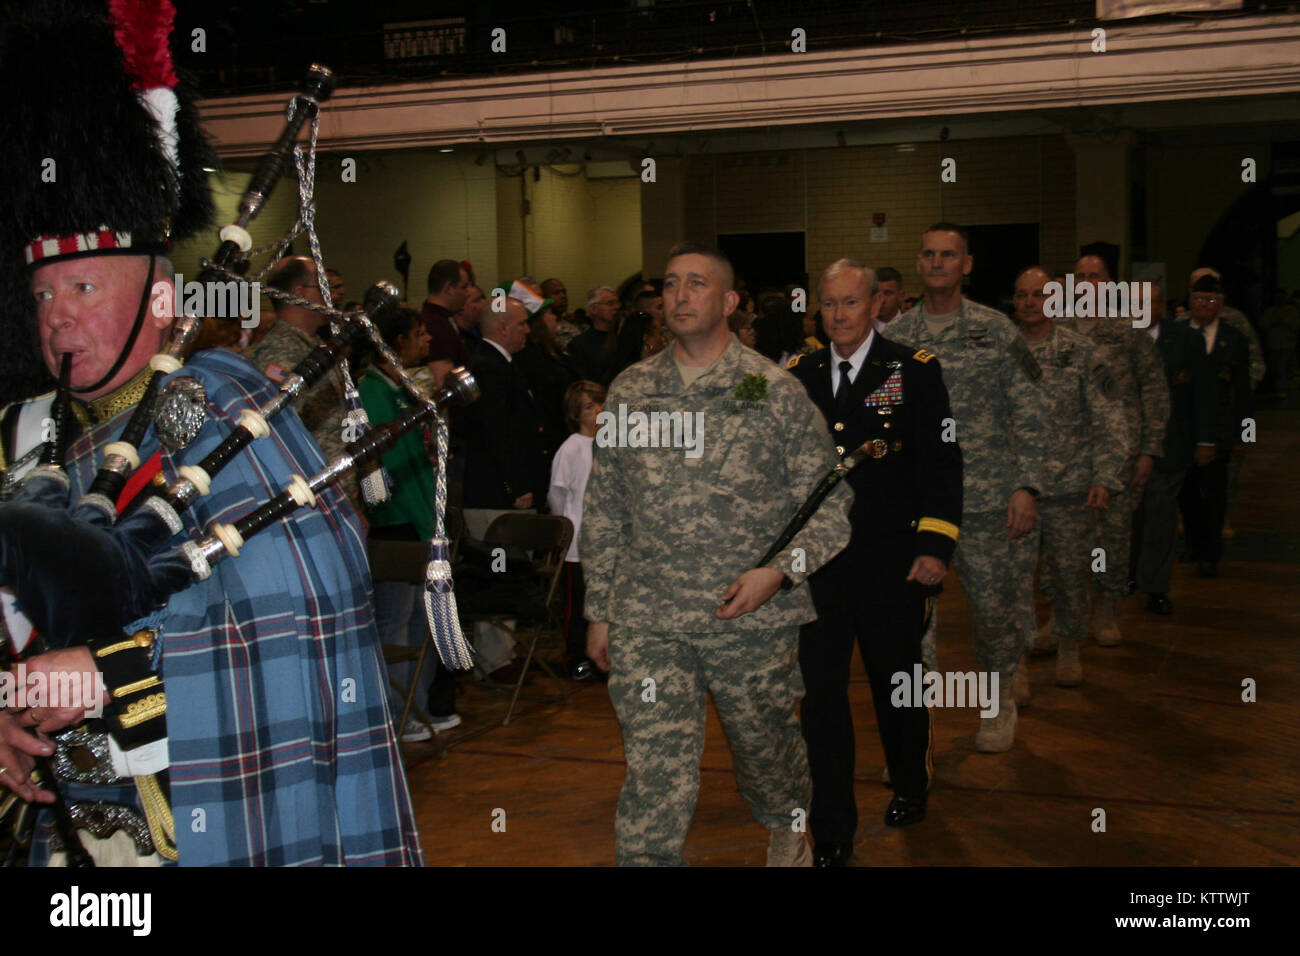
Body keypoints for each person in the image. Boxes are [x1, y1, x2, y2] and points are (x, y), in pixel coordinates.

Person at [581, 241, 853, 867]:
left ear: (730, 302)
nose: (679, 295)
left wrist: (780, 574)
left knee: (766, 751)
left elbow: (831, 506)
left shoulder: (774, 390)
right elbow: (606, 506)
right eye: (671, 283)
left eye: (697, 283)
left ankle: (787, 823)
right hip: (649, 615)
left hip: (749, 618)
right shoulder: (632, 390)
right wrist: (600, 610)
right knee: (654, 767)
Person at [787, 259, 962, 865]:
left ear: (876, 305)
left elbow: (941, 462)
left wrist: (935, 546)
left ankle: (910, 781)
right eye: (829, 303)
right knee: (821, 702)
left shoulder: (913, 370)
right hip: (819, 570)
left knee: (898, 686)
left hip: (893, 564)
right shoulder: (799, 374)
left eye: (852, 302)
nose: (839, 315)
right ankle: (833, 828)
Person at [884, 222, 1049, 752]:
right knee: (913, 623)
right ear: (919, 262)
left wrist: (1026, 486)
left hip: (985, 498)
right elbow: (882, 418)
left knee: (994, 612)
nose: (938, 263)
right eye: (929, 254)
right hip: (919, 504)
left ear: (967, 265)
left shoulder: (997, 330)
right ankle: (916, 731)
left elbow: (1031, 411)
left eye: (948, 255)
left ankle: (998, 700)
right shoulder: (896, 337)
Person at [1045, 253, 1169, 647]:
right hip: (1065, 457)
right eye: (1080, 276)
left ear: (1109, 284)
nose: (1086, 282)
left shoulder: (1127, 331)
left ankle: (1107, 608)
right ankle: (1062, 614)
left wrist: (1149, 450)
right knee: (1062, 540)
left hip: (1118, 455)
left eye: (1094, 276)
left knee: (1111, 537)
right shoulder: (1056, 329)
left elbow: (1154, 392)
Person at [1012, 267, 1127, 687]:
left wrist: (1106, 475)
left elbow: (1110, 415)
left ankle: (1068, 645)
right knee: (1013, 578)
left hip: (1070, 486)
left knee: (1069, 572)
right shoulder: (1001, 352)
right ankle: (1016, 661)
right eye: (1022, 295)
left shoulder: (1082, 351)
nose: (1030, 302)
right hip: (1015, 488)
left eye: (1039, 294)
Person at [358, 306, 462, 739]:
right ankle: (397, 716)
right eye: (419, 334)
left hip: (422, 518)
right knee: (396, 622)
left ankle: (419, 710)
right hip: (396, 520)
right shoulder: (372, 391)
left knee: (425, 621)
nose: (427, 340)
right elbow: (395, 462)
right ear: (396, 342)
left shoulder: (404, 388)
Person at [463, 296, 550, 680]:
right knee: (497, 572)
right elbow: (497, 432)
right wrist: (515, 484)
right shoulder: (488, 367)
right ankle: (494, 660)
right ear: (502, 328)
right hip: (497, 494)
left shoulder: (501, 364)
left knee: (509, 569)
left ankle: (501, 655)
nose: (528, 330)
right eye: (522, 323)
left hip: (503, 490)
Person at [246, 255, 362, 512]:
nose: (332, 295)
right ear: (300, 293)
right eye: (323, 286)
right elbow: (280, 439)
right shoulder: (277, 353)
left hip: (337, 494)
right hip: (312, 500)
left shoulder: (313, 346)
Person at [1133, 283, 1216, 614]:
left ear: (1162, 305)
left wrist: (1206, 439)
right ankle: (1124, 576)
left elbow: (1204, 392)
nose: (1144, 308)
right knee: (1127, 521)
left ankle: (1156, 587)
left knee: (1161, 519)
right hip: (1122, 448)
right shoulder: (1116, 338)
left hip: (1169, 446)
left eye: (1150, 301)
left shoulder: (1186, 340)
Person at [1179, 274, 1252, 578]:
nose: (1204, 305)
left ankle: (1210, 553)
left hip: (1221, 428)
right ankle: (1193, 544)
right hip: (1183, 427)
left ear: (1220, 304)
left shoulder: (1234, 339)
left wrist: (1246, 435)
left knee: (1215, 494)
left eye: (1210, 299)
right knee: (1187, 492)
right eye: (1198, 299)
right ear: (1190, 301)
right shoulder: (1178, 334)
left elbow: (1243, 391)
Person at [548, 381, 606, 681]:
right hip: (577, 546)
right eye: (589, 406)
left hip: (605, 544)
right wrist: (567, 528)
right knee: (577, 607)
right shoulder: (571, 448)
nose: (598, 411)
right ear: (575, 414)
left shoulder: (611, 444)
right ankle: (576, 661)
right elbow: (557, 493)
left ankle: (602, 661)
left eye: (601, 403)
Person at [422, 258, 472, 389]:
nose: (468, 293)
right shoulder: (435, 325)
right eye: (464, 287)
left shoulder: (443, 318)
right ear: (449, 288)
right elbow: (444, 383)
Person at [566, 286, 619, 382]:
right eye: (610, 303)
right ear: (594, 309)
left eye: (617, 303)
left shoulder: (622, 337)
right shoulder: (579, 344)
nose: (616, 307)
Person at [1260, 289, 1299, 399]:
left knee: (1282, 366)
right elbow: (1263, 324)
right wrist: (1274, 323)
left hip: (1288, 344)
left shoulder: (1291, 311)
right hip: (1273, 344)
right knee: (1275, 368)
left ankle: (1282, 389)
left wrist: (1284, 323)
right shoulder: (1270, 311)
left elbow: (1296, 325)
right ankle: (1279, 388)